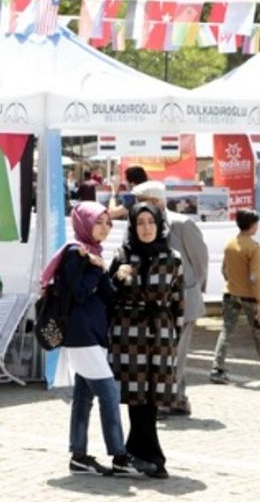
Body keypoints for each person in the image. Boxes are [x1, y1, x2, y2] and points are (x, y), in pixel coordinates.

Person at [43, 202, 155, 477]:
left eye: (107, 222)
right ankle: (119, 456)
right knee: (108, 392)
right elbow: (80, 293)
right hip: (81, 336)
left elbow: (106, 296)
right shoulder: (75, 253)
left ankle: (79, 456)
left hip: (93, 335)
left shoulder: (93, 255)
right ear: (83, 223)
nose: (104, 228)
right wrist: (96, 268)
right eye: (98, 222)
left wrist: (113, 274)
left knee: (83, 396)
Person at [108, 203, 184, 479]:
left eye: (150, 222)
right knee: (136, 395)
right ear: (132, 226)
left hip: (161, 333)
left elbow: (178, 301)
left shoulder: (172, 258)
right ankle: (152, 456)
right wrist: (117, 278)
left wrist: (172, 335)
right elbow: (108, 296)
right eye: (140, 222)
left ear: (159, 224)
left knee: (153, 395)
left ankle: (137, 451)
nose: (146, 228)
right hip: (128, 334)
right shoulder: (122, 255)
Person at [132, 181, 208, 417]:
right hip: (155, 304)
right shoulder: (141, 226)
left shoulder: (181, 224)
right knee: (166, 353)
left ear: (159, 201)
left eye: (145, 201)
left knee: (176, 354)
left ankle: (167, 401)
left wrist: (193, 288)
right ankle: (177, 400)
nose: (140, 206)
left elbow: (200, 261)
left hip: (183, 300)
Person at [211, 209, 260, 384]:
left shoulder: (230, 244)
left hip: (230, 293)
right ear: (253, 225)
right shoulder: (253, 247)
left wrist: (232, 282)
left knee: (226, 331)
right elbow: (255, 277)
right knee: (257, 334)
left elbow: (224, 270)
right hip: (250, 297)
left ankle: (217, 369)